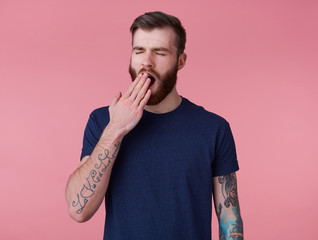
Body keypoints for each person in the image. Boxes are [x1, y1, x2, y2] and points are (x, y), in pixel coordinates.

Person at [65, 11, 243, 240]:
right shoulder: (102, 121)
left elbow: (230, 221)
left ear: (180, 61)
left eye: (160, 52)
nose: (147, 62)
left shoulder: (214, 129)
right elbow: (78, 210)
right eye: (139, 51)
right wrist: (115, 129)